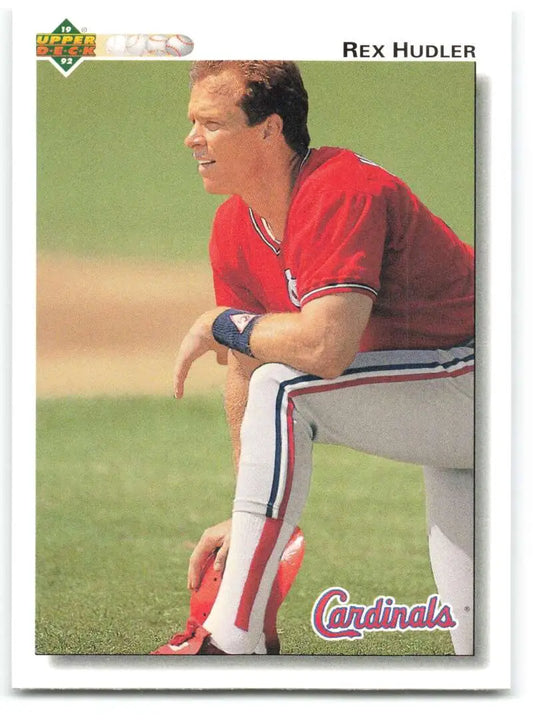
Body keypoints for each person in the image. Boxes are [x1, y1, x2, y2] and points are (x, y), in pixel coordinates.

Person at [153, 60, 474, 656]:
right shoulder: (233, 227)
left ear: (270, 130)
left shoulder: (341, 189)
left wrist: (220, 323)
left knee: (288, 385)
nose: (191, 138)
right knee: (485, 646)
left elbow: (326, 348)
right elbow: (246, 364)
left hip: (487, 375)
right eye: (192, 121)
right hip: (451, 406)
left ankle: (230, 642)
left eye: (212, 123)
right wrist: (244, 523)